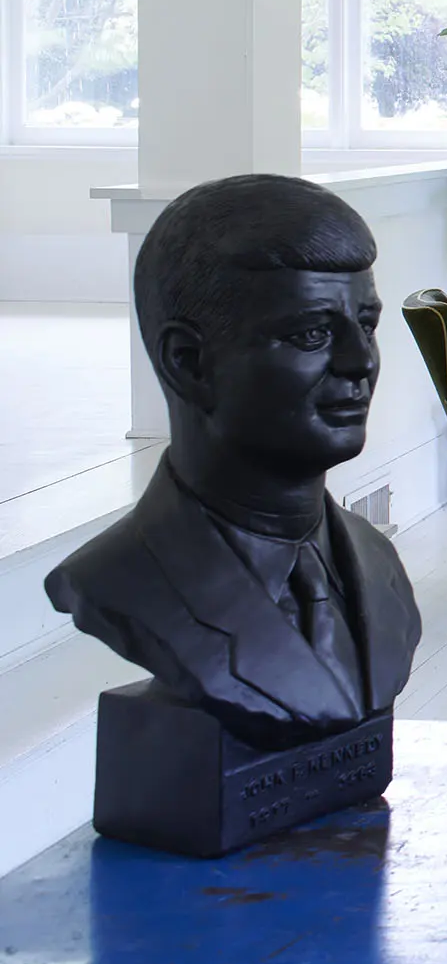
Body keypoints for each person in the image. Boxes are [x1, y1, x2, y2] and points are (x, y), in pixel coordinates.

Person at [45, 174, 421, 750]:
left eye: (365, 326)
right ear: (189, 363)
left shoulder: (379, 565)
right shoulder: (120, 579)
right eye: (313, 333)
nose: (358, 363)